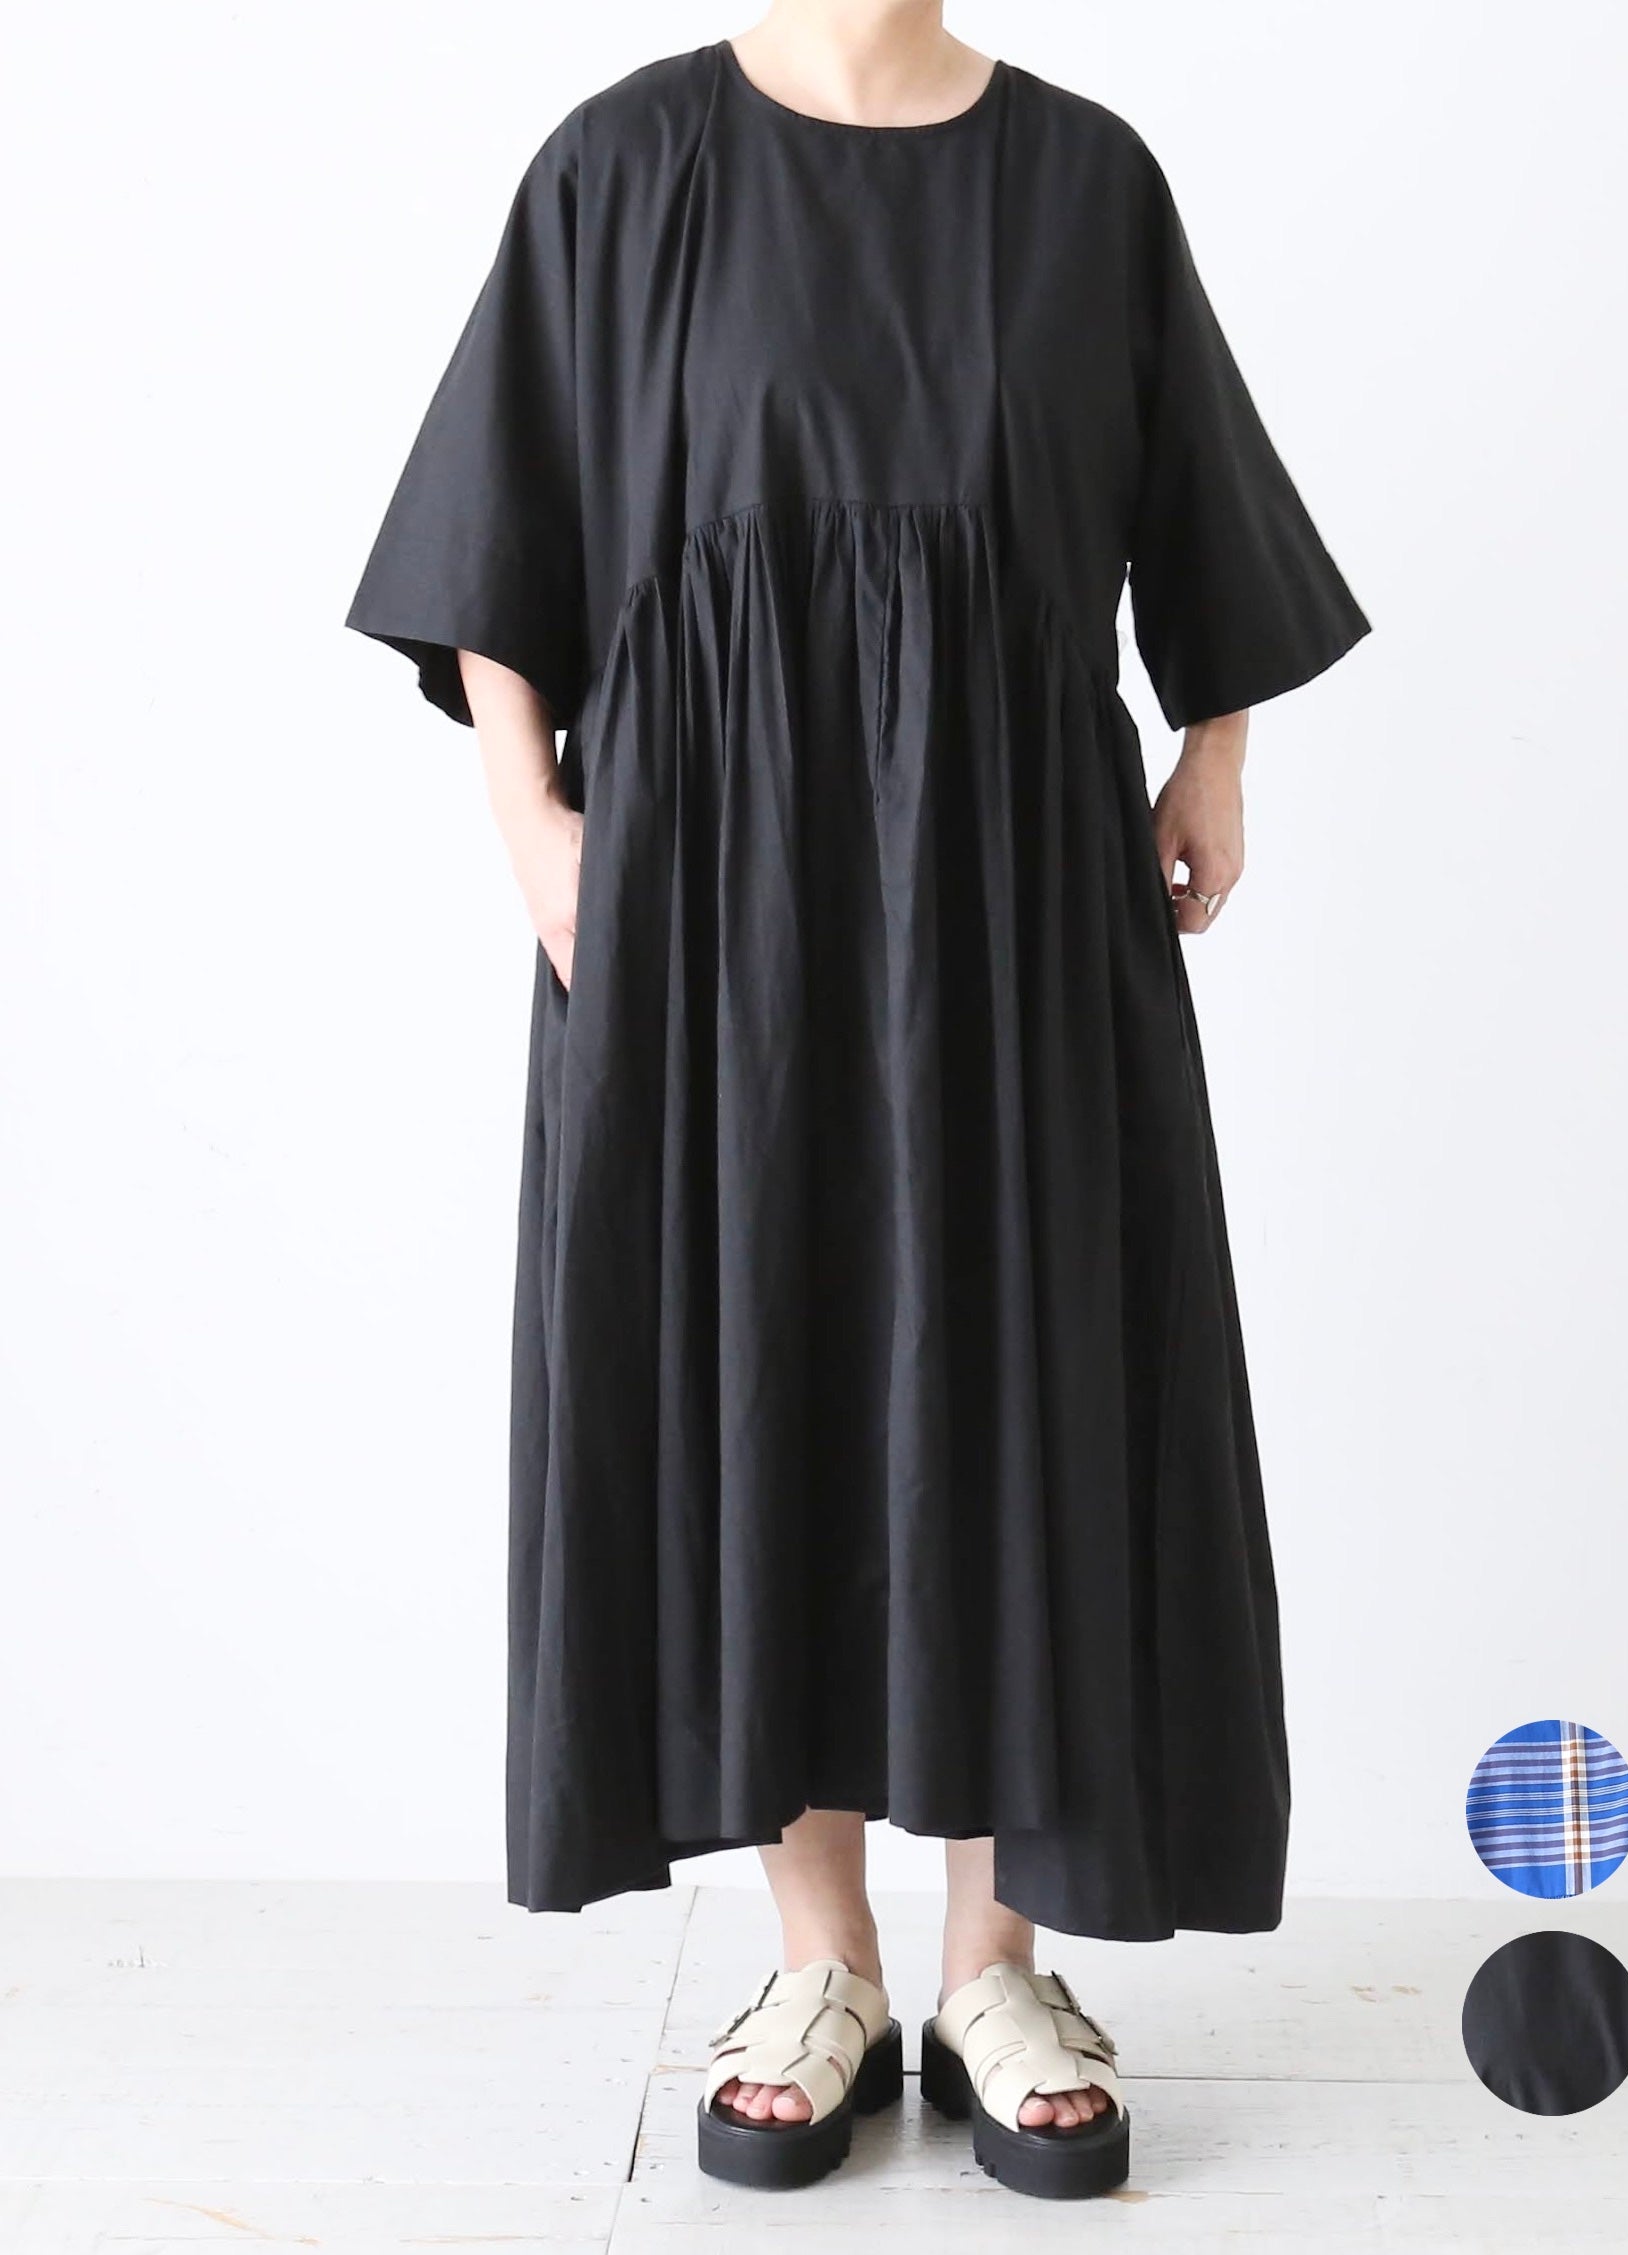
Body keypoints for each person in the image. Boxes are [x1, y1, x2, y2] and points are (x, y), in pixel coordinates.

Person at [345, 1, 1370, 2203]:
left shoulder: (1085, 181)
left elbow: (1197, 512)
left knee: (1026, 1376)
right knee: (764, 1362)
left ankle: (1000, 1967)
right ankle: (820, 1961)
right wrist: (531, 823)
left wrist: (1219, 753)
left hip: (1016, 893)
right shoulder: (623, 169)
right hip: (713, 904)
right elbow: (500, 526)